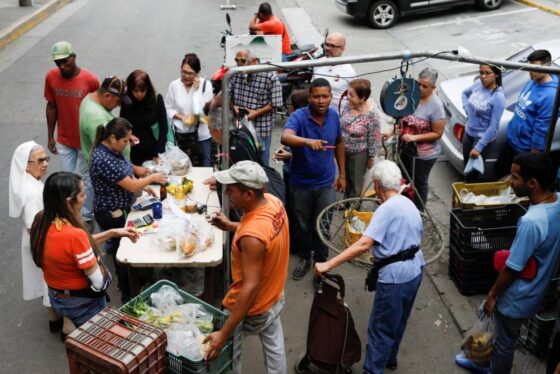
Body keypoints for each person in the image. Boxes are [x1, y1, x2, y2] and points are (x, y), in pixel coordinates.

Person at [315, 159, 424, 374]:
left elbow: (363, 243)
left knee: (380, 329)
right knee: (399, 319)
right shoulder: (409, 203)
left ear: (377, 185)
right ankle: (390, 358)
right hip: (416, 271)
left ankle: (373, 370)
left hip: (395, 277)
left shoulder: (386, 209)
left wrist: (328, 263)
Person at [456, 153, 560, 374]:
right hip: (536, 290)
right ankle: (483, 362)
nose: (510, 182)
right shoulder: (557, 202)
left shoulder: (532, 222)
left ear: (532, 183)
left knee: (504, 342)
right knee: (502, 335)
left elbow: (513, 267)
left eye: (514, 178)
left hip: (517, 297)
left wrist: (492, 295)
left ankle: (494, 369)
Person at [204, 161, 289, 374]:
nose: (227, 195)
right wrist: (233, 226)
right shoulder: (272, 202)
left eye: (231, 190)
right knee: (274, 347)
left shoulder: (252, 237)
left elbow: (250, 287)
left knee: (231, 354)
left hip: (254, 307)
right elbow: (263, 236)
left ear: (249, 194)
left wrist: (223, 334)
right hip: (274, 296)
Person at [29, 172, 138, 339]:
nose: (85, 198)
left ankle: (70, 338)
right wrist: (97, 259)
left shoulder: (41, 219)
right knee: (99, 342)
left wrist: (112, 233)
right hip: (82, 302)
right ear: (68, 201)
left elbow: (72, 249)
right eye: (82, 194)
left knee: (72, 325)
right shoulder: (74, 235)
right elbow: (99, 283)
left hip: (57, 296)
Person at [89, 118, 167, 302]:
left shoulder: (113, 150)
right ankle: (128, 292)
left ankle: (136, 280)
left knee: (130, 244)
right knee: (122, 253)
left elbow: (125, 166)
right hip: (111, 212)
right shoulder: (103, 158)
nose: (127, 145)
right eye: (125, 141)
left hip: (123, 207)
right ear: (113, 138)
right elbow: (131, 186)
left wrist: (139, 170)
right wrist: (150, 179)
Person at [281, 78, 346, 280]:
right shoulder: (299, 117)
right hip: (300, 184)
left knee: (324, 225)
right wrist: (307, 142)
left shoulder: (334, 116)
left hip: (326, 183)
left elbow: (339, 142)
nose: (320, 101)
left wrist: (342, 174)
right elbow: (285, 137)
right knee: (303, 226)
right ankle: (305, 258)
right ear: (309, 97)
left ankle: (322, 263)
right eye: (316, 96)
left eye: (325, 96)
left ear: (330, 97)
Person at [9, 141, 61, 332]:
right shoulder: (31, 192)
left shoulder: (30, 182)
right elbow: (35, 227)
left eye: (45, 158)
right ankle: (55, 320)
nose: (45, 163)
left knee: (43, 281)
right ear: (26, 165)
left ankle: (53, 319)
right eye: (40, 160)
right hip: (42, 242)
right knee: (48, 281)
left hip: (37, 241)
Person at [384, 68, 445, 212]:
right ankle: (403, 207)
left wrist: (415, 137)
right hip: (405, 148)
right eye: (418, 84)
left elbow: (438, 133)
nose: (420, 88)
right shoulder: (411, 96)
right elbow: (401, 117)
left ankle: (418, 212)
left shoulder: (436, 106)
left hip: (423, 155)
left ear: (433, 88)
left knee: (419, 183)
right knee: (403, 179)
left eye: (425, 86)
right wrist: (391, 132)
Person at [78, 76, 133, 230]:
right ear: (107, 95)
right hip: (112, 203)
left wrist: (126, 138)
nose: (118, 106)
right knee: (116, 237)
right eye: (118, 101)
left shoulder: (91, 100)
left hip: (115, 193)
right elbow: (132, 186)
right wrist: (150, 178)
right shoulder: (97, 117)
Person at [500, 49, 559, 175]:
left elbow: (541, 129)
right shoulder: (532, 81)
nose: (531, 72)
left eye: (535, 67)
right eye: (529, 67)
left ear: (548, 66)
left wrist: (532, 158)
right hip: (512, 142)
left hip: (524, 150)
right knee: (499, 172)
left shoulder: (550, 95)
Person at [44, 41, 99, 173]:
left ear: (74, 57)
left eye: (65, 61)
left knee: (86, 181)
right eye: (58, 63)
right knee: (67, 180)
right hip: (64, 140)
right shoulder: (51, 77)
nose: (61, 66)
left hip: (86, 141)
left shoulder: (90, 80)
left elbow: (99, 109)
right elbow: (51, 106)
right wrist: (50, 136)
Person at [229, 49, 283, 167]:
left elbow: (276, 102)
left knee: (261, 161)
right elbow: (226, 95)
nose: (239, 63)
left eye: (243, 61)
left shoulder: (269, 76)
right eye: (237, 60)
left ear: (254, 61)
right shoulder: (236, 73)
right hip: (240, 127)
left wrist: (257, 113)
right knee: (241, 159)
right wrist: (233, 107)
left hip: (261, 128)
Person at [165, 53, 214, 167]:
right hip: (180, 135)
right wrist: (181, 117)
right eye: (184, 72)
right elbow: (168, 107)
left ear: (197, 73)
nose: (186, 76)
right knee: (182, 168)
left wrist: (196, 91)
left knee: (205, 167)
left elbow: (200, 112)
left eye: (190, 73)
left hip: (201, 135)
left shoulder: (205, 86)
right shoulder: (174, 86)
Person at [461, 64, 506, 182]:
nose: (483, 76)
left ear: (496, 74)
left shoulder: (498, 97)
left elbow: (493, 127)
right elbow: (464, 93)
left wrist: (479, 147)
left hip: (481, 139)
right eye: (481, 72)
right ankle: (464, 192)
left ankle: (470, 197)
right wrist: (467, 110)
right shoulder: (478, 85)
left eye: (487, 73)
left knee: (473, 174)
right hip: (468, 133)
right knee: (466, 168)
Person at [339, 79, 380, 198]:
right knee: (345, 179)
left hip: (358, 154)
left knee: (356, 185)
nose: (348, 97)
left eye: (352, 95)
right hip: (343, 151)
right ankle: (345, 201)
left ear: (362, 98)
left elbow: (374, 138)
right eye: (348, 93)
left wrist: (371, 158)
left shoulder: (372, 115)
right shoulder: (348, 106)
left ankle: (353, 210)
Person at [121, 70, 168, 165]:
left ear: (148, 88)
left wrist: (159, 153)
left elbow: (164, 128)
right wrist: (128, 136)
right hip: (133, 151)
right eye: (135, 91)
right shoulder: (127, 102)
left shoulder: (156, 100)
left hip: (153, 151)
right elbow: (122, 125)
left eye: (142, 91)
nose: (139, 94)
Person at [312, 32, 356, 112]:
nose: (328, 48)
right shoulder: (317, 64)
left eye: (332, 46)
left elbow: (355, 99)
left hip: (338, 118)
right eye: (327, 44)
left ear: (342, 49)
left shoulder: (349, 71)